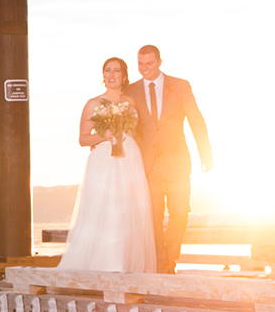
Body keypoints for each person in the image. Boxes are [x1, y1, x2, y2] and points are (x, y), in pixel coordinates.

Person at [58, 57, 157, 273]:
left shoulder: (130, 102)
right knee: (107, 208)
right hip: (104, 158)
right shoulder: (93, 103)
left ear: (124, 76)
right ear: (103, 76)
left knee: (129, 209)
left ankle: (128, 265)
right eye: (107, 71)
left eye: (117, 71)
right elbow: (83, 139)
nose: (112, 75)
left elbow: (134, 131)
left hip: (129, 156)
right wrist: (105, 136)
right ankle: (106, 265)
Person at [126, 45, 212, 273]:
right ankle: (161, 266)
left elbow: (196, 119)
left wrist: (206, 152)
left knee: (180, 214)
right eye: (140, 64)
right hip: (149, 166)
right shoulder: (131, 90)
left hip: (178, 164)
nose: (144, 68)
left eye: (149, 64)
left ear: (159, 62)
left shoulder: (180, 86)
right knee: (153, 218)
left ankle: (169, 259)